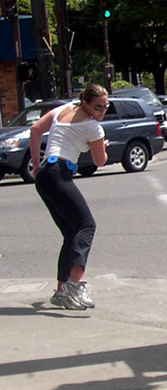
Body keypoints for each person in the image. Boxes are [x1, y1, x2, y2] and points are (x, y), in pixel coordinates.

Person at [30, 84, 110, 311]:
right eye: (97, 107)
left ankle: (61, 291)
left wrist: (37, 165)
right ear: (85, 102)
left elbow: (35, 130)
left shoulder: (63, 109)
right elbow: (100, 161)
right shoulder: (93, 127)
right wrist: (102, 146)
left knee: (71, 232)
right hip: (59, 175)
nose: (102, 112)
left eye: (106, 107)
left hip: (46, 175)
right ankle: (76, 285)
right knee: (86, 226)